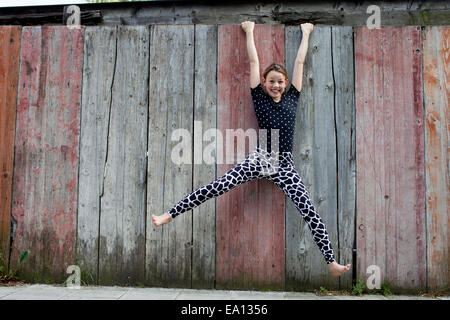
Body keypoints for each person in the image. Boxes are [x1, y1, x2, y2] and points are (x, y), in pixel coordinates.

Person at [152, 21, 351, 278]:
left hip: (285, 166)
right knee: (217, 186)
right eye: (271, 82)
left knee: (308, 209)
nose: (276, 86)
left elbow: (300, 63)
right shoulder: (259, 96)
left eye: (280, 82)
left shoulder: (293, 96)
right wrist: (249, 32)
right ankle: (170, 214)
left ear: (286, 83)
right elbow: (254, 62)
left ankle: (331, 262)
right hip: (259, 159)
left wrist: (306, 34)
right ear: (265, 83)